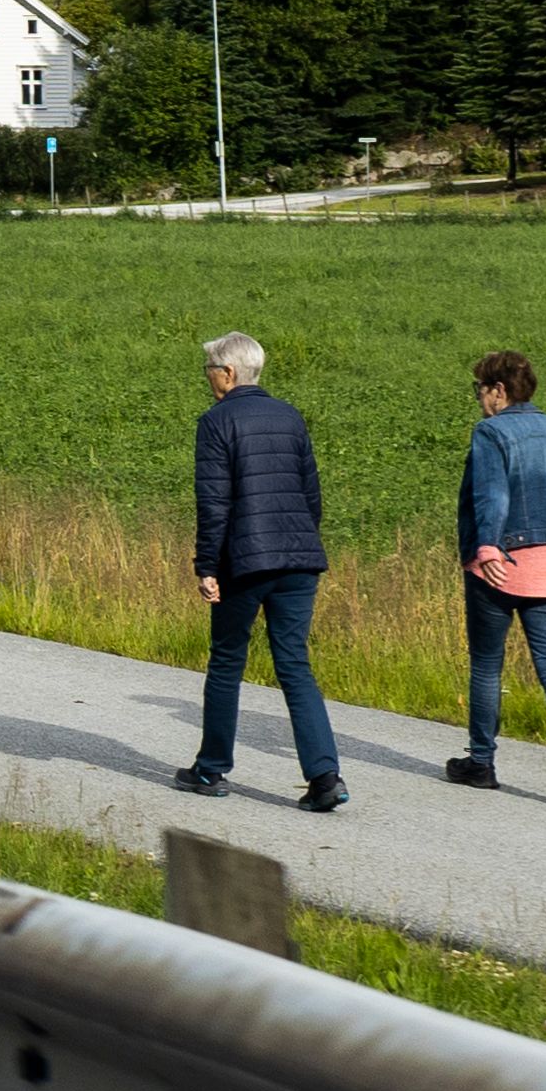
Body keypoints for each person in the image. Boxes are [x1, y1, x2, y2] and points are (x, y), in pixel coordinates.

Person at [178, 329, 345, 812]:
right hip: (300, 558)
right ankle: (325, 777)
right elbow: (311, 495)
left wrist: (207, 566)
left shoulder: (216, 422)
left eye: (210, 369)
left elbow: (214, 503)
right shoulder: (290, 416)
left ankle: (211, 769)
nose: (207, 378)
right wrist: (299, 542)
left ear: (228, 373)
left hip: (245, 562)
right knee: (294, 665)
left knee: (227, 661)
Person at [449, 348, 546, 807]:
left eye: (480, 389)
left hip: (500, 560)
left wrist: (488, 546)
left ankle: (481, 763)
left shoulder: (490, 431)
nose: (479, 398)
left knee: (486, 663)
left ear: (499, 390)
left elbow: (492, 494)